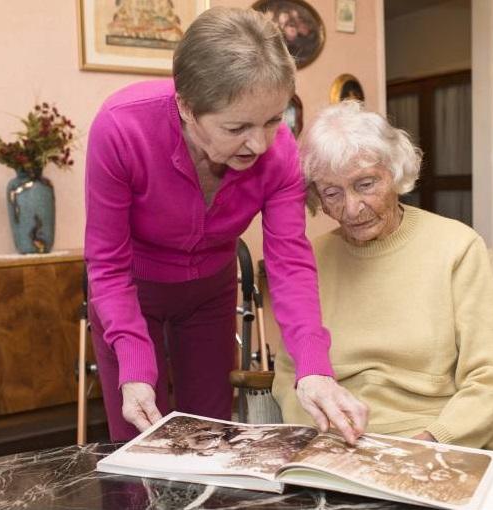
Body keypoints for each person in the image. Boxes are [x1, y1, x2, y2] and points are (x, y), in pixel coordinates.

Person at [85, 7, 367, 442]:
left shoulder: (281, 152)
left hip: (210, 295)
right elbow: (106, 264)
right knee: (138, 442)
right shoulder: (122, 127)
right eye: (237, 127)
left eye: (274, 120)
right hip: (130, 296)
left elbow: (290, 262)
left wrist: (314, 369)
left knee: (209, 436)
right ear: (186, 106)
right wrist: (135, 366)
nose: (260, 143)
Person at [272, 101, 493, 450]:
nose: (353, 207)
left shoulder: (456, 246)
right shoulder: (309, 260)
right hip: (338, 445)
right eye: (333, 193)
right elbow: (288, 373)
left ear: (395, 172)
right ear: (318, 198)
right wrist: (322, 435)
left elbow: (492, 377)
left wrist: (430, 442)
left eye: (366, 184)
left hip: (434, 443)